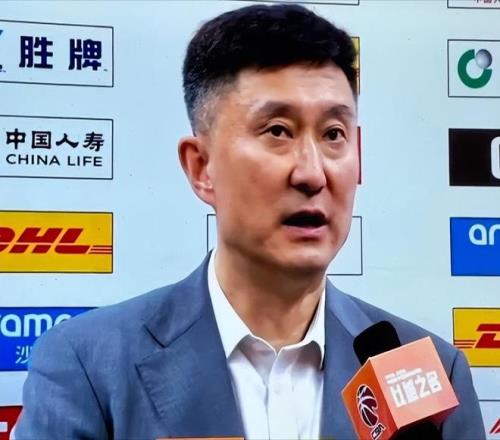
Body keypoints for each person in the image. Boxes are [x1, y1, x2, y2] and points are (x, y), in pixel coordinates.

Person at [14, 4, 485, 439]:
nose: (312, 172)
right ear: (201, 168)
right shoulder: (88, 365)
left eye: (333, 134)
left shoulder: (430, 371)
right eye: (278, 131)